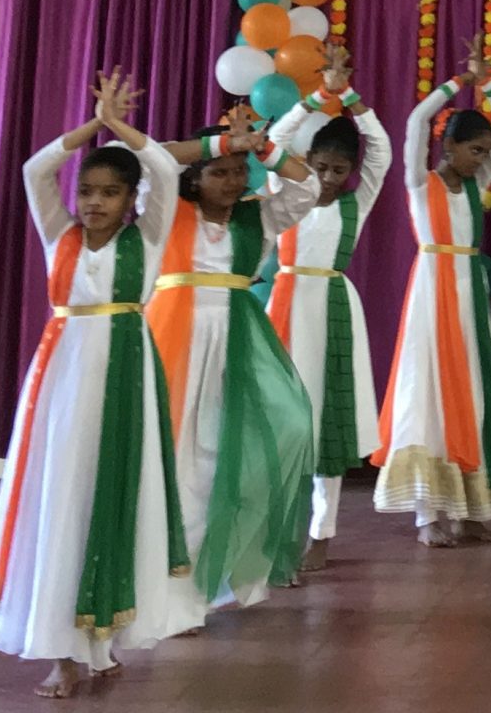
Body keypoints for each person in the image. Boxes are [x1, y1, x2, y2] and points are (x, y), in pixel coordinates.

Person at [0, 70, 185, 699]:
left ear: (131, 199)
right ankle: (61, 653)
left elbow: (165, 172)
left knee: (110, 495)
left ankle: (100, 643)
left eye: (110, 193)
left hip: (126, 377)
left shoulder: (148, 237)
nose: (94, 202)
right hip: (62, 379)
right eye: (87, 191)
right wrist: (93, 125)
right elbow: (34, 170)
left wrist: (121, 129)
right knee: (60, 495)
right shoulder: (58, 234)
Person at [151, 104, 319, 629]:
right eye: (218, 171)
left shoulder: (257, 216)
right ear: (194, 177)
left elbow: (307, 187)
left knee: (253, 447)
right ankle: (170, 595)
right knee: (179, 466)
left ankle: (213, 578)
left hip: (240, 343)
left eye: (237, 171)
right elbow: (146, 159)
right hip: (174, 341)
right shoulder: (164, 211)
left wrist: (262, 148)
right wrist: (221, 143)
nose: (231, 181)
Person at [374, 54, 491, 544]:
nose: (482, 159)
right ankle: (428, 516)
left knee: (475, 393)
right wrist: (459, 81)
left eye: (486, 152)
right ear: (450, 145)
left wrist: (489, 85)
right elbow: (416, 121)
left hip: (467, 297)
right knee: (429, 394)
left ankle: (472, 510)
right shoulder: (421, 184)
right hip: (431, 294)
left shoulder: (476, 186)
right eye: (474, 150)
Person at [264, 42, 393, 570]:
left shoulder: (356, 204)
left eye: (340, 170)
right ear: (307, 162)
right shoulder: (286, 189)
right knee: (283, 418)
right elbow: (275, 140)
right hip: (286, 306)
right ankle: (277, 530)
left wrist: (353, 99)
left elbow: (381, 149)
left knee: (328, 421)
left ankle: (321, 533)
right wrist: (320, 96)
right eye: (321, 167)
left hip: (335, 309)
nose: (330, 177)